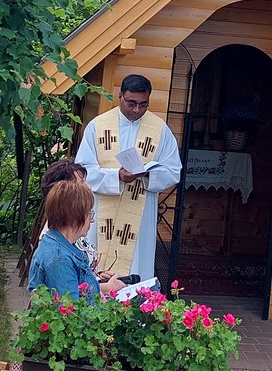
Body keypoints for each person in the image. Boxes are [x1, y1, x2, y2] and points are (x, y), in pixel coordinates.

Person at [75, 74, 182, 283]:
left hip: (139, 214)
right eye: (131, 103)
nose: (137, 110)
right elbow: (82, 171)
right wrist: (117, 176)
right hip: (102, 210)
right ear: (120, 96)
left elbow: (173, 171)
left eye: (143, 105)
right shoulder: (98, 126)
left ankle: (134, 301)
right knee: (96, 261)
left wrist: (148, 174)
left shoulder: (160, 130)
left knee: (136, 263)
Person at [26, 179, 123, 298]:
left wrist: (103, 286)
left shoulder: (55, 243)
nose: (92, 220)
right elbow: (71, 306)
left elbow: (77, 289)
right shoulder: (60, 260)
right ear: (74, 218)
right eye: (89, 214)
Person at [16, 159, 101, 287]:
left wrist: (96, 277)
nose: (89, 187)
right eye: (82, 182)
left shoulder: (67, 231)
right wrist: (104, 287)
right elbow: (68, 294)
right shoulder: (58, 250)